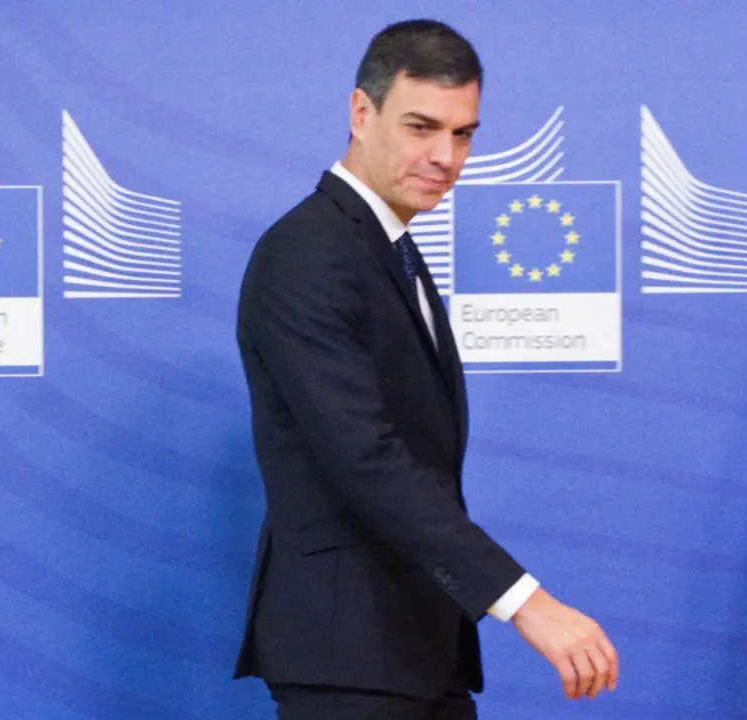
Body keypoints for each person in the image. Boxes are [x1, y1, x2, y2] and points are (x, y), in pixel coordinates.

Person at [232, 19, 618, 719]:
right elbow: (366, 460)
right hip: (350, 658)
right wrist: (526, 602)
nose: (445, 156)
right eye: (421, 127)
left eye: (463, 133)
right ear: (361, 112)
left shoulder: (388, 251)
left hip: (414, 650)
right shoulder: (309, 254)